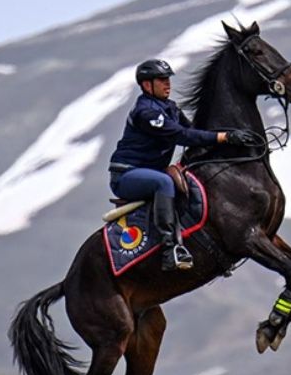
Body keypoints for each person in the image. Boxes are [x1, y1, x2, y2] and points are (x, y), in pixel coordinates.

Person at [109, 59, 256, 271]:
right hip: (125, 176)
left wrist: (231, 140)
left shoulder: (170, 108)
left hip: (148, 172)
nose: (167, 83)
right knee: (163, 184)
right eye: (161, 80)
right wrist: (224, 137)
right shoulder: (146, 112)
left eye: (168, 79)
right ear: (146, 85)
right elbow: (182, 135)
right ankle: (170, 251)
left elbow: (194, 132)